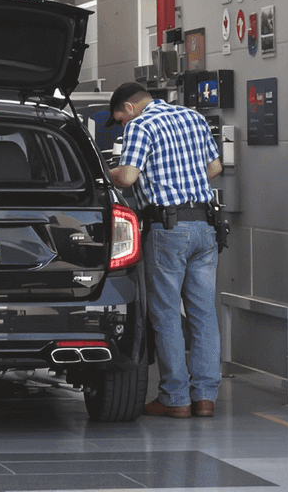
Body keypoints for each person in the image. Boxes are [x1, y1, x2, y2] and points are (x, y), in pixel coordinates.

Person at [107, 81, 223, 419]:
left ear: (129, 108)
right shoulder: (193, 117)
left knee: (168, 314)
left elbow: (127, 177)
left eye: (120, 119)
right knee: (203, 314)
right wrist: (186, 183)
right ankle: (204, 397)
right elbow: (214, 168)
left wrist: (104, 172)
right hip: (204, 225)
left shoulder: (141, 125)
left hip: (168, 229)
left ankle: (176, 398)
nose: (123, 125)